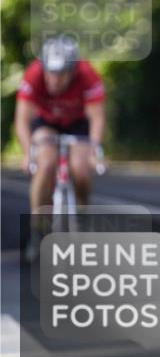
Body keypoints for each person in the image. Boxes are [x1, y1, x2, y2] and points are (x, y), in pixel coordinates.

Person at [15, 35, 106, 225]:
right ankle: (38, 225)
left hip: (77, 123)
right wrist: (27, 152)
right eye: (51, 73)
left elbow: (96, 118)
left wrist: (93, 149)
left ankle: (82, 213)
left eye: (61, 74)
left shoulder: (87, 75)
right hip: (46, 122)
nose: (55, 80)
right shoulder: (33, 74)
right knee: (46, 163)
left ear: (73, 71)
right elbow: (22, 119)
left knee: (80, 169)